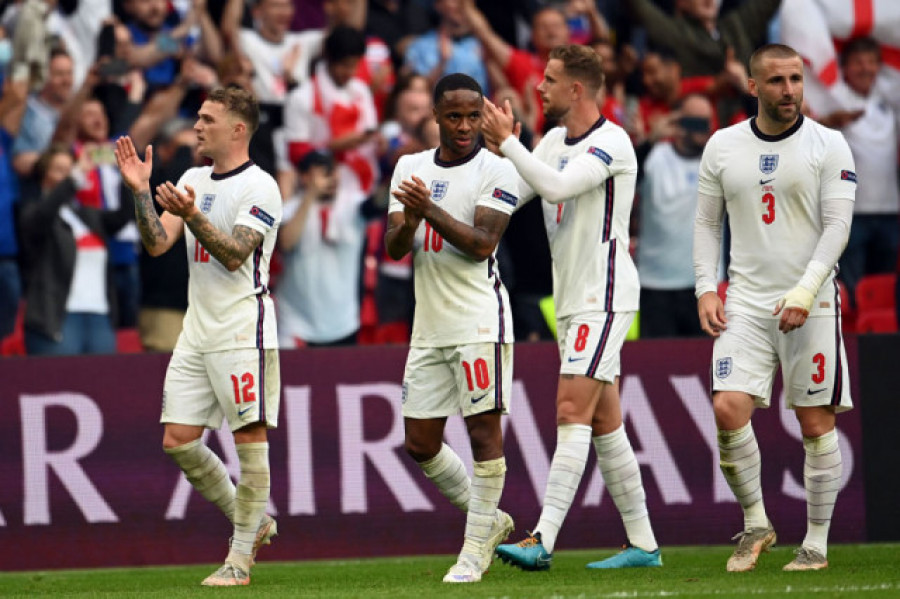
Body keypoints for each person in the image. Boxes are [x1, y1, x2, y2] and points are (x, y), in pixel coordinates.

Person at [482, 44, 661, 571]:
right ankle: (644, 544)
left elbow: (558, 185)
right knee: (605, 423)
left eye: (550, 79)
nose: (540, 87)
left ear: (576, 89)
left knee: (569, 410)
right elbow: (516, 192)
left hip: (604, 296)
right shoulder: (556, 140)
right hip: (572, 299)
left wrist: (512, 144)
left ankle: (543, 538)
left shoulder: (614, 143)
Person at [693, 44, 856, 572]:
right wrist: (705, 288)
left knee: (814, 423)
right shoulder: (721, 146)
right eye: (777, 80)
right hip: (745, 300)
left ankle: (816, 543)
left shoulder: (829, 145)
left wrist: (806, 291)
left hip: (812, 300)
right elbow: (706, 224)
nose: (789, 90)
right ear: (754, 87)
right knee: (726, 408)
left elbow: (837, 228)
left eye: (795, 79)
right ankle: (757, 523)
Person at [114, 86, 282, 586]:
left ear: (237, 129)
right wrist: (140, 191)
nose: (198, 125)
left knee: (249, 442)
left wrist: (193, 216)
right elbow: (157, 243)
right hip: (197, 331)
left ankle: (239, 559)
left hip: (241, 330)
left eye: (208, 119)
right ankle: (255, 524)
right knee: (178, 441)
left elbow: (236, 255)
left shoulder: (261, 187)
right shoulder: (190, 177)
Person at [384, 73, 518, 583]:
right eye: (454, 116)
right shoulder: (410, 166)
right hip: (429, 325)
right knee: (419, 442)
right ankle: (490, 521)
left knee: (484, 432)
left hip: (479, 319)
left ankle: (472, 551)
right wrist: (412, 221)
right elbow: (396, 248)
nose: (465, 126)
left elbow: (483, 242)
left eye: (472, 116)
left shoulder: (497, 169)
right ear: (435, 118)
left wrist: (428, 209)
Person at [18, 144, 131, 355]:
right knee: (59, 385)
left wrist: (127, 179)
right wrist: (77, 175)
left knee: (105, 384)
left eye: (71, 169)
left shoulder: (87, 215)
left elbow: (123, 217)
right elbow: (44, 214)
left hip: (99, 316)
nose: (70, 175)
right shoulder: (32, 213)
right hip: (56, 317)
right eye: (60, 170)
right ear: (43, 177)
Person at [818, 37, 899, 306]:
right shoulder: (832, 98)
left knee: (884, 294)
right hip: (851, 216)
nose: (866, 69)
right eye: (858, 63)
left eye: (872, 62)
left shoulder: (888, 99)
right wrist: (830, 121)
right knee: (852, 299)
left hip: (889, 213)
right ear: (844, 68)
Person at [637, 93, 714, 338]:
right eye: (695, 122)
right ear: (679, 122)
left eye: (707, 123)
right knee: (658, 368)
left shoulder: (716, 161)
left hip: (704, 287)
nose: (704, 131)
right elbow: (625, 180)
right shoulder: (655, 156)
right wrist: (649, 142)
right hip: (655, 285)